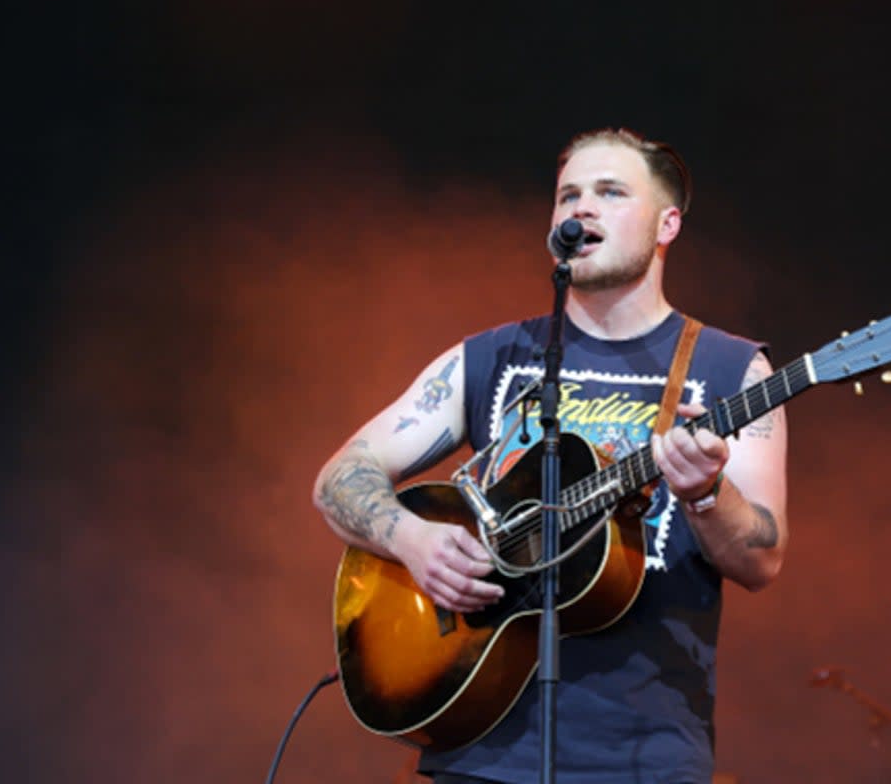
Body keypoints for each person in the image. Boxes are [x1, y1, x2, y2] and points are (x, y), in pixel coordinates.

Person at [313, 127, 789, 783]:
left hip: (642, 757)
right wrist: (415, 540)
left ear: (667, 224)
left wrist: (707, 492)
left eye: (610, 192)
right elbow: (341, 475)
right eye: (568, 195)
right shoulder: (492, 356)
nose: (580, 209)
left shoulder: (732, 369)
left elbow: (761, 557)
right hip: (478, 746)